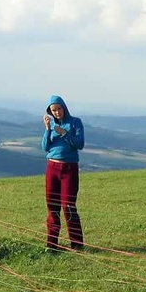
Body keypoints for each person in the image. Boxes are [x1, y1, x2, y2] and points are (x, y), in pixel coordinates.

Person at [41, 95, 85, 252]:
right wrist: (47, 130)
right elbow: (45, 147)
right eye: (54, 110)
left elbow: (80, 144)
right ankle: (52, 245)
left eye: (59, 109)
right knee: (52, 206)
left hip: (69, 168)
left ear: (64, 107)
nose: (57, 112)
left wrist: (65, 134)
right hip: (52, 167)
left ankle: (77, 245)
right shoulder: (52, 125)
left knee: (68, 206)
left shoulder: (75, 122)